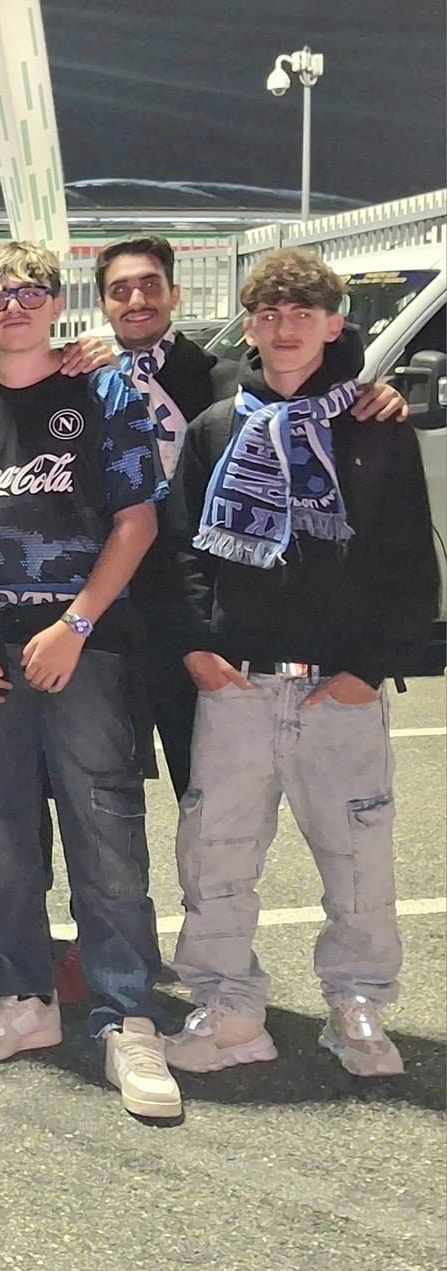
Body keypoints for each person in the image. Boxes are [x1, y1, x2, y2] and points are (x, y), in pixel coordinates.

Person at [0, 240, 180, 1121]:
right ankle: (25, 994)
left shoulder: (104, 392)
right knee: (0, 827)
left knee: (105, 827)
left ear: (56, 303)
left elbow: (137, 523)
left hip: (81, 642)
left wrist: (77, 624)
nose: (14, 307)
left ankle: (127, 1014)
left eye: (30, 293)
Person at [159, 249, 439, 1079]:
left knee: (358, 855)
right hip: (239, 683)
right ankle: (229, 1005)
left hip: (337, 687)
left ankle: (356, 1003)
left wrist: (366, 670)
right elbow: (181, 552)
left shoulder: (375, 427)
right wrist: (197, 647)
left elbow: (406, 561)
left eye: (302, 313)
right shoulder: (218, 428)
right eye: (269, 314)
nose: (284, 328)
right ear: (249, 326)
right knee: (216, 853)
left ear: (333, 323)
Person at [101, 234, 407, 799]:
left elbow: (310, 388)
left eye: (150, 284)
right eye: (120, 290)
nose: (137, 300)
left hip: (199, 608)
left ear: (174, 293)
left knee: (209, 787)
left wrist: (377, 393)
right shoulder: (88, 381)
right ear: (102, 304)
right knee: (108, 779)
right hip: (108, 602)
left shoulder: (227, 384)